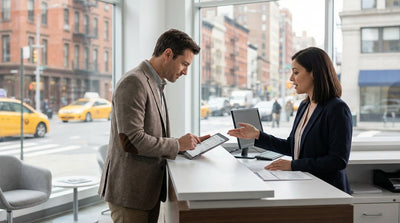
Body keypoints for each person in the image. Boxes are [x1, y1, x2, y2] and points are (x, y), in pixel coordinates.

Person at [98, 29, 210, 223]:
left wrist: (186, 145)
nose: (186, 72)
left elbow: (151, 133)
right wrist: (177, 145)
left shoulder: (156, 83)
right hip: (130, 194)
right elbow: (132, 141)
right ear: (167, 54)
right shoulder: (134, 82)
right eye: (184, 64)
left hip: (146, 192)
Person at [227, 47, 352, 194]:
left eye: (296, 72)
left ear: (314, 73)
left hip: (328, 190)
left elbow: (338, 161)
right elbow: (291, 147)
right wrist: (257, 135)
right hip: (305, 185)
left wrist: (293, 165)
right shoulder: (305, 106)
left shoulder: (337, 109)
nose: (291, 79)